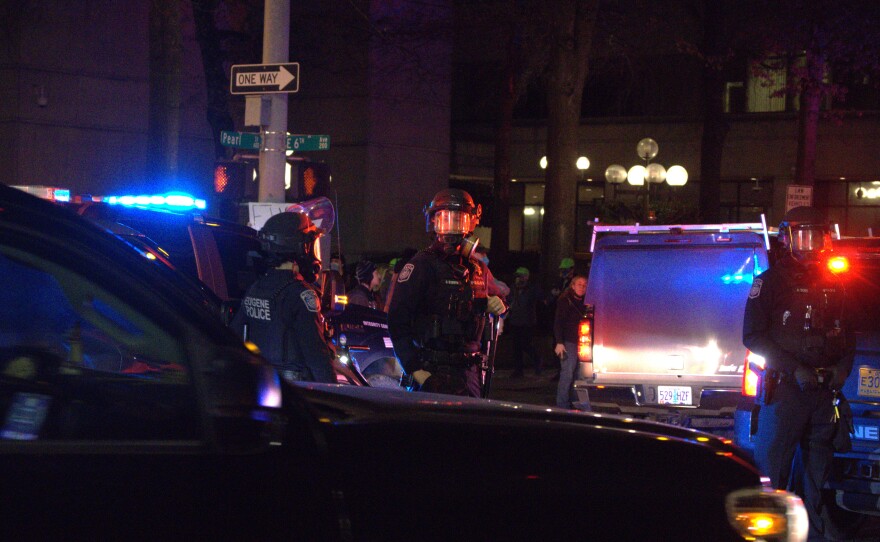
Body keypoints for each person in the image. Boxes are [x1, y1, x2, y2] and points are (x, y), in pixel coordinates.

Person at [742, 206, 855, 540]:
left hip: (823, 394)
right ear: (787, 239)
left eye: (816, 236)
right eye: (803, 236)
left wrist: (841, 370)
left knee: (816, 476)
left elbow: (847, 335)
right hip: (786, 392)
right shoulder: (769, 282)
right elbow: (752, 336)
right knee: (771, 473)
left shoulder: (835, 284)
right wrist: (794, 368)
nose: (810, 245)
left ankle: (813, 534)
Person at [387, 188, 507, 397]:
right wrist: (417, 372)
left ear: (471, 222)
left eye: (458, 219)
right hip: (431, 370)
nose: (451, 227)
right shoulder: (421, 265)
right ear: (433, 222)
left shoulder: (478, 269)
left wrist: (499, 304)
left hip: (470, 374)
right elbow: (397, 323)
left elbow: (501, 304)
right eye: (445, 219)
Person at [230, 211, 336, 384]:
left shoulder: (255, 289)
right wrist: (336, 398)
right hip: (294, 391)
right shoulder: (300, 295)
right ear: (302, 247)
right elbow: (316, 356)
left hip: (260, 385)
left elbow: (234, 335)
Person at [554, 275, 588, 409]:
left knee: (579, 373)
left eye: (585, 285)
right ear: (572, 285)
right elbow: (558, 323)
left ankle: (575, 401)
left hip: (583, 342)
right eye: (579, 284)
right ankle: (562, 404)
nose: (582, 287)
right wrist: (559, 342)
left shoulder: (586, 301)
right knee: (567, 372)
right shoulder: (565, 300)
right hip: (568, 341)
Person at [506, 266, 546, 377]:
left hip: (527, 322)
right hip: (515, 321)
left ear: (526, 277)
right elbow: (509, 301)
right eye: (517, 276)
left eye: (521, 276)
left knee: (525, 344)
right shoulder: (513, 288)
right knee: (516, 347)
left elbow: (541, 298)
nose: (518, 279)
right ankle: (518, 370)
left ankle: (537, 360)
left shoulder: (532, 289)